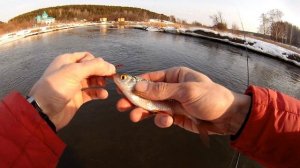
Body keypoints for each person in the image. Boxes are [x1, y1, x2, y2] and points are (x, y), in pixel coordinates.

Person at [0, 52, 299, 167]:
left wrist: (35, 112)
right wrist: (235, 115)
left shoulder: (139, 88)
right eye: (124, 78)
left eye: (126, 79)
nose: (122, 80)